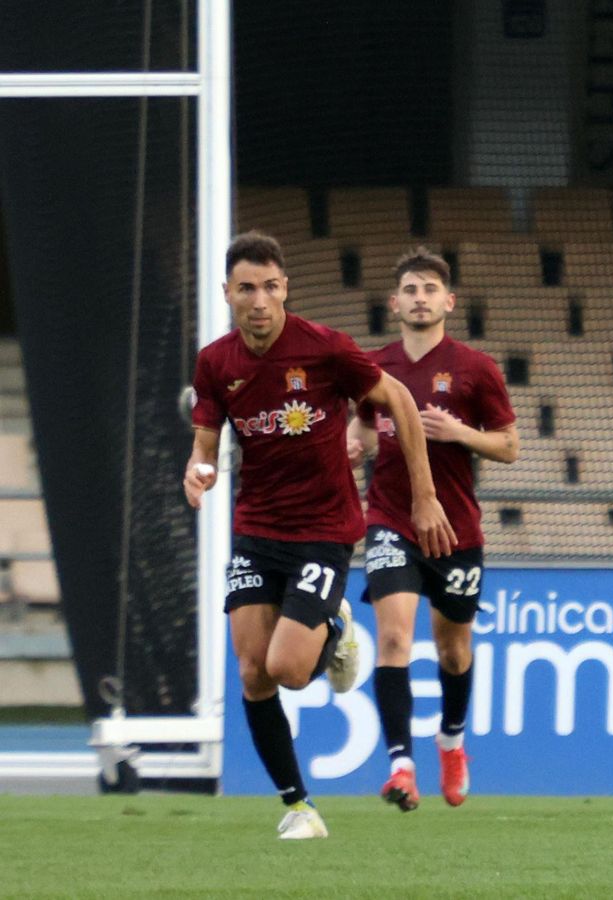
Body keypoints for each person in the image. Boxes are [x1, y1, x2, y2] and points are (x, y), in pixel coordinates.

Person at [184, 231, 455, 840]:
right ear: (227, 292)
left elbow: (401, 403)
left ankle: (334, 627)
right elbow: (205, 445)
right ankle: (299, 807)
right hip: (256, 530)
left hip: (323, 532)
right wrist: (197, 472)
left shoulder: (326, 349)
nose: (259, 300)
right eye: (246, 288)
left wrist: (424, 495)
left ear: (286, 289)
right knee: (251, 672)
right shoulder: (215, 363)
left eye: (271, 287)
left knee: (285, 669)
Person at [347, 247, 518, 812]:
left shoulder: (476, 368)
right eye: (410, 289)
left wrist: (459, 433)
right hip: (391, 519)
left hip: (457, 530)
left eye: (430, 289)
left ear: (449, 301)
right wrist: (354, 445)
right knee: (394, 637)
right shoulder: (373, 369)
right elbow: (364, 432)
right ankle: (401, 767)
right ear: (393, 302)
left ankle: (451, 740)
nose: (420, 298)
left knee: (453, 651)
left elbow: (510, 447)